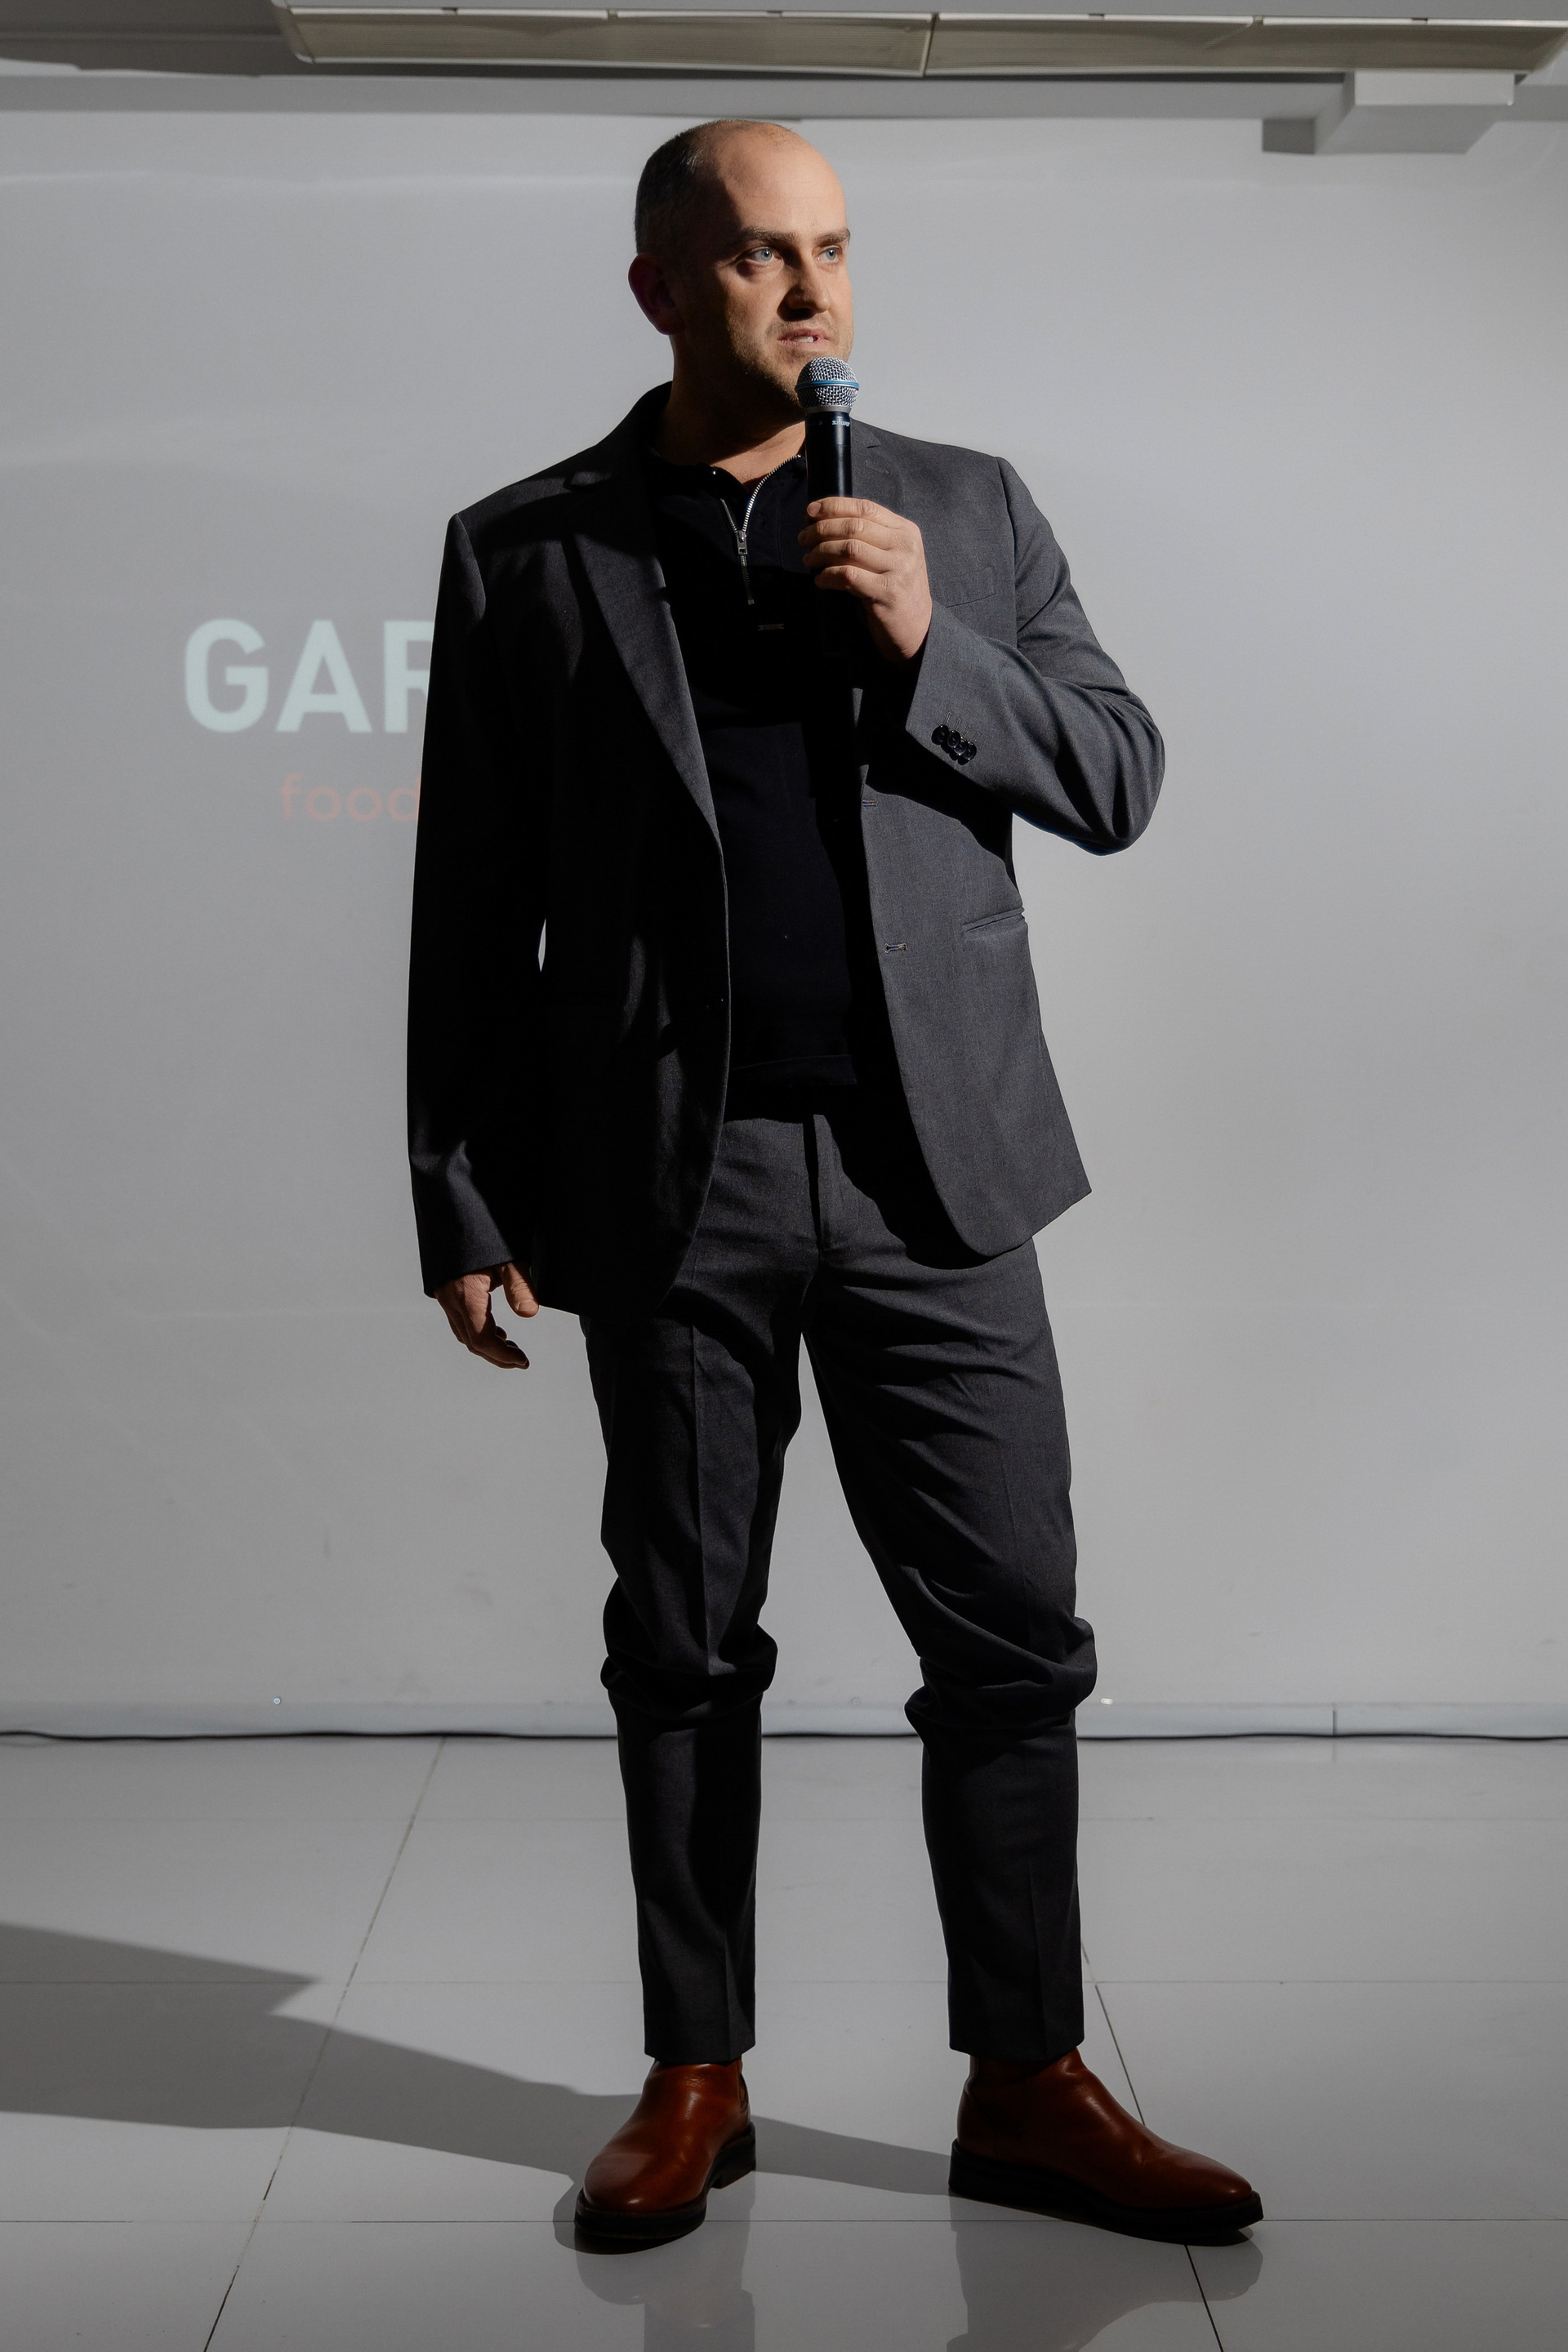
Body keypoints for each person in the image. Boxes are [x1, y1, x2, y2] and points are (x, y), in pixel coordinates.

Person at [408, 117, 1260, 2250]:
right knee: (683, 1644)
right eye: (761, 255)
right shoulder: (527, 548)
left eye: (836, 250)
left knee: (1014, 1644)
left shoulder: (965, 509)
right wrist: (459, 1184)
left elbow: (1119, 776)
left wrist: (929, 644)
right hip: (666, 1180)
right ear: (658, 288)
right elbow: (473, 898)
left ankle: (1030, 2080)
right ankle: (695, 2075)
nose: (813, 291)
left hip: (935, 1176)